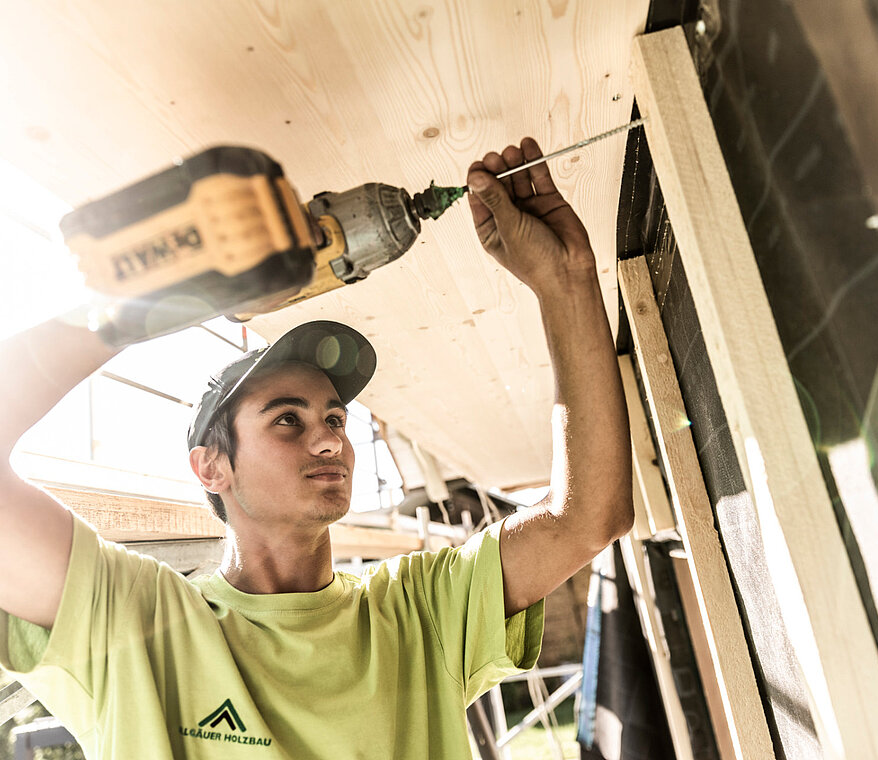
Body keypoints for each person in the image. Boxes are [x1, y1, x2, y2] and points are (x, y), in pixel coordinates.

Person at [0, 138, 632, 759]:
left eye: (335, 415)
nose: (331, 437)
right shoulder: (135, 626)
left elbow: (588, 515)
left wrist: (566, 281)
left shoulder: (418, 611)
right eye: (286, 420)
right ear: (211, 466)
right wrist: (128, 308)